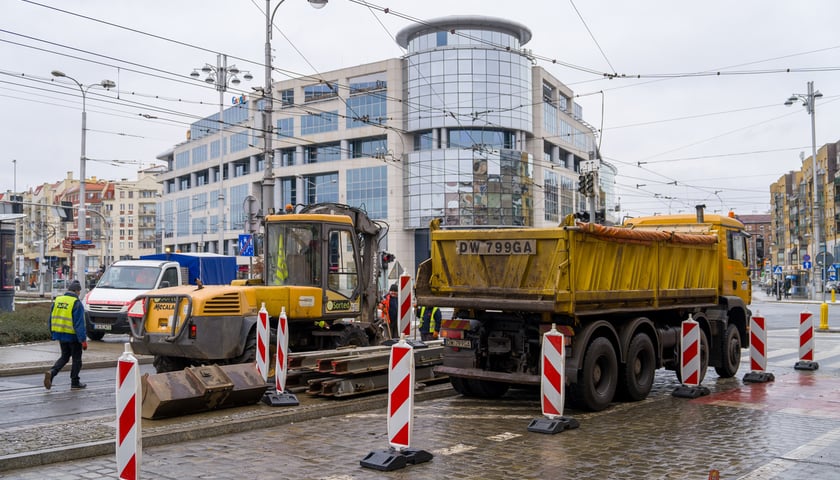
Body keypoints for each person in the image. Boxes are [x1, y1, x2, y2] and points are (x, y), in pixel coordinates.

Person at [44, 280, 88, 390]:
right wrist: (83, 340)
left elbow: (50, 319)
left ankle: (52, 372)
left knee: (64, 357)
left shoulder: (57, 300)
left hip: (60, 334)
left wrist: (52, 333)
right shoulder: (76, 303)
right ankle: (75, 382)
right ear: (77, 291)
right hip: (73, 336)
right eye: (79, 291)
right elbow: (79, 323)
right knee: (77, 359)